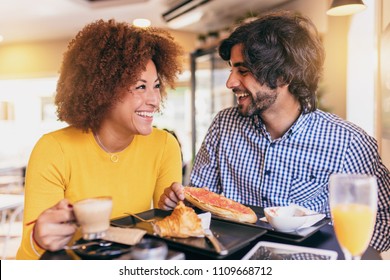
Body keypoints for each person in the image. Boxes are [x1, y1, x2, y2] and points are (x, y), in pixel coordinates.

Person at [159, 11, 390, 252]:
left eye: (243, 70)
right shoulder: (223, 125)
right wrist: (177, 202)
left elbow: (384, 221)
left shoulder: (348, 143)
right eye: (231, 69)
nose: (230, 82)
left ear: (284, 75)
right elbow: (198, 203)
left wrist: (331, 257)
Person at [17, 19, 184, 259]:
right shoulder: (53, 150)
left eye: (156, 86)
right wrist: (38, 239)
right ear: (103, 90)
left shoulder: (164, 145)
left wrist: (170, 208)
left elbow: (169, 234)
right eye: (140, 87)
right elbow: (29, 255)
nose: (154, 100)